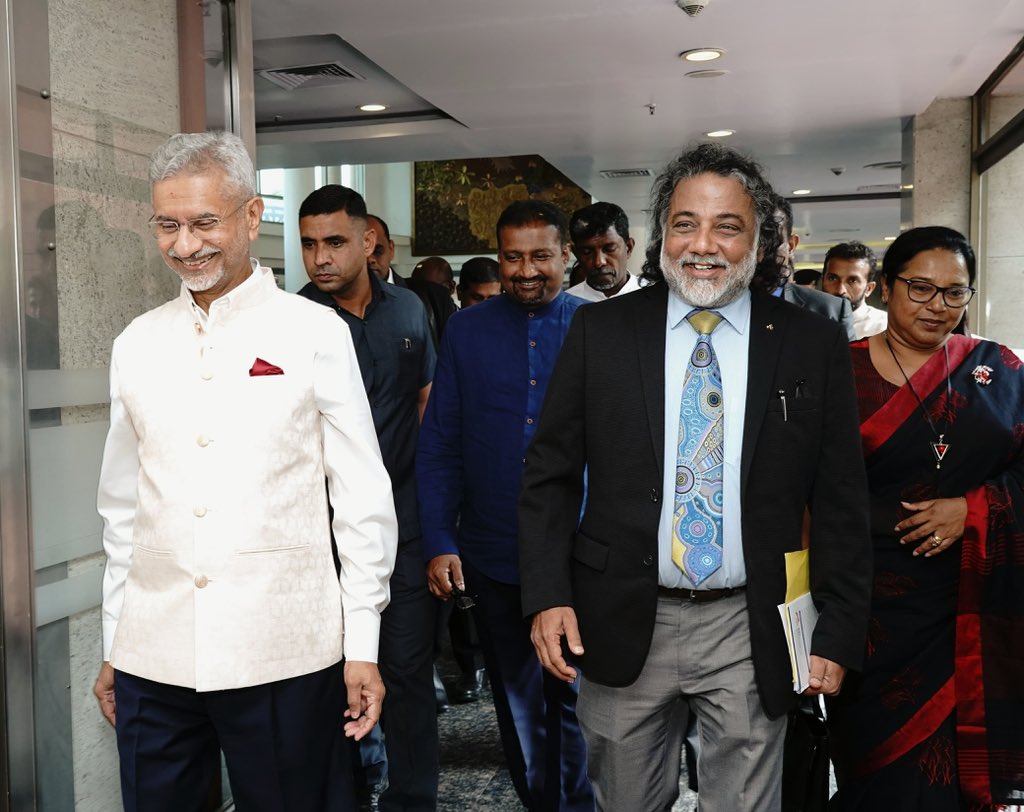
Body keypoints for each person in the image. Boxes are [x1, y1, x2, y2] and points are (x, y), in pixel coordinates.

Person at [519, 142, 873, 812]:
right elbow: (550, 474)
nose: (702, 245)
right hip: (621, 615)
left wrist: (838, 630)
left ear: (759, 238)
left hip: (750, 624)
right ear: (661, 236)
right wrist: (546, 594)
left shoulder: (808, 340)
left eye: (726, 226)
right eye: (685, 224)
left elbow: (840, 497)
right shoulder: (601, 330)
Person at [92, 131, 397, 811]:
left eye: (204, 222)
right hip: (155, 655)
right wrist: (117, 639)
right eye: (167, 224)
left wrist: (362, 643)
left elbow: (361, 498)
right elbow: (122, 511)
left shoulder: (315, 333)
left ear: (252, 217)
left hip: (284, 656)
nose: (184, 244)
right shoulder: (136, 343)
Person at [826, 226, 1024, 811]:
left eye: (954, 293)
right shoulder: (837, 374)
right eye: (920, 288)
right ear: (886, 288)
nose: (938, 306)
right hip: (866, 614)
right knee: (876, 772)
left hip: (970, 604)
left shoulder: (999, 371)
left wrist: (975, 507)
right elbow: (797, 489)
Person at [417, 200, 594, 811]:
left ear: (565, 257)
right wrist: (440, 537)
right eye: (512, 257)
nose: (525, 270)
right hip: (493, 552)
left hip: (581, 554)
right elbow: (440, 441)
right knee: (518, 705)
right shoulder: (467, 329)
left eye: (540, 256)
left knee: (577, 699)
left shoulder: (600, 326)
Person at [298, 184, 439, 812]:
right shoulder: (290, 323)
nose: (320, 257)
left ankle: (413, 800)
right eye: (308, 244)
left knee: (407, 674)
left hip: (401, 528)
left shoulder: (409, 310)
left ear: (368, 241)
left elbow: (425, 406)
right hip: (316, 536)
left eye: (333, 241)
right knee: (324, 682)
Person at [773, 195, 856, 340]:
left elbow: (847, 362)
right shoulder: (721, 305)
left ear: (791, 245)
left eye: (772, 241)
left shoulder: (831, 310)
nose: (760, 251)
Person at [367, 214, 456, 346]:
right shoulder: (335, 304)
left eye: (378, 251)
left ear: (391, 249)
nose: (370, 259)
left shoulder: (435, 298)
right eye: (364, 252)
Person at [565, 202, 640, 302]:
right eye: (587, 252)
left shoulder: (657, 300)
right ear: (576, 253)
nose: (599, 262)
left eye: (609, 249)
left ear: (629, 248)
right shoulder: (565, 307)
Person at [821, 241, 887, 339]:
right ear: (823, 280)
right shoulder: (805, 323)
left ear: (869, 289)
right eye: (832, 279)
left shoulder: (885, 326)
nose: (840, 290)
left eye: (852, 281)